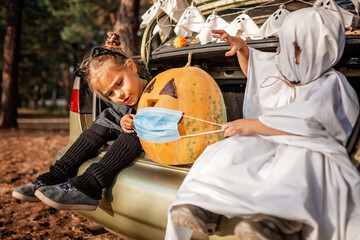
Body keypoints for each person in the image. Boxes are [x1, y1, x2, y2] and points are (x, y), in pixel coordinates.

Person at [165, 7, 360, 240]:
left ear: (321, 50)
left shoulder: (330, 84)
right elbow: (259, 78)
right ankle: (203, 203)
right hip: (268, 138)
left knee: (302, 160)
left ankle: (280, 222)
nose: (286, 53)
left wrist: (252, 125)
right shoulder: (285, 69)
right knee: (229, 150)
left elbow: (309, 123)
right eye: (285, 45)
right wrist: (244, 50)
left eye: (296, 48)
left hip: (304, 146)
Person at [12, 32, 152, 211]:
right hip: (126, 122)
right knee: (103, 122)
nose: (119, 94)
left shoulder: (156, 86)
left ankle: (90, 186)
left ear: (131, 67)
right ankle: (56, 175)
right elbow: (120, 114)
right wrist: (124, 118)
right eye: (109, 93)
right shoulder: (123, 99)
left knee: (133, 131)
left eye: (119, 83)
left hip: (146, 133)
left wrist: (132, 122)